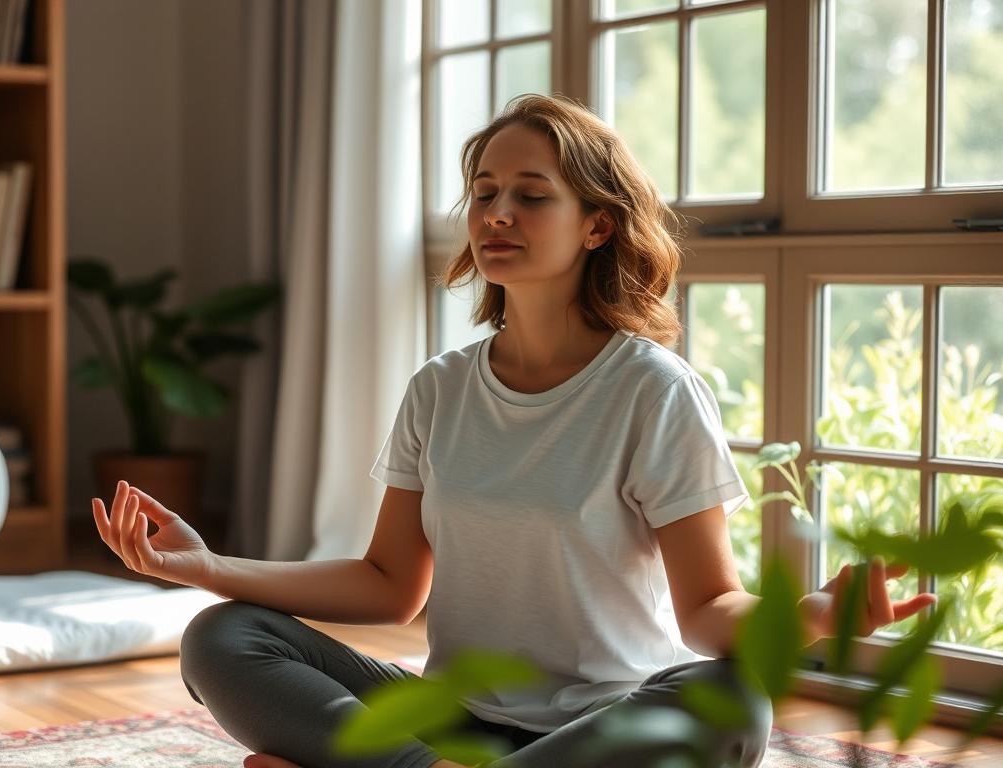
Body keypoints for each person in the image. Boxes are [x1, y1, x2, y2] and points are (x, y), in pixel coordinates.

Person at [92, 94, 937, 768]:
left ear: (597, 224)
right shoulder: (440, 389)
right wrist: (207, 568)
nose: (497, 214)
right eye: (485, 194)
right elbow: (390, 584)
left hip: (607, 728)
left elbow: (709, 612)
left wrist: (816, 614)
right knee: (223, 636)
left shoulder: (653, 393)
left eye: (531, 197)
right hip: (450, 725)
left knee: (725, 699)